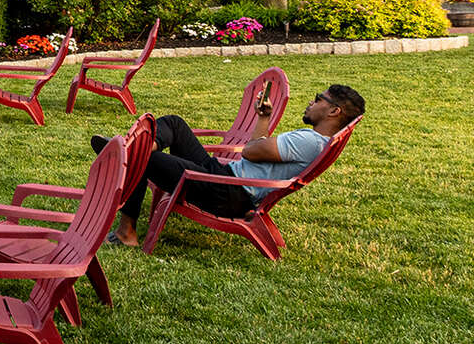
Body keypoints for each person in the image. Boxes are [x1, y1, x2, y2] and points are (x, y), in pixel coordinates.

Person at [103, 85, 365, 247]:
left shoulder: (308, 140)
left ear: (334, 112)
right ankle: (130, 149)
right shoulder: (317, 142)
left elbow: (251, 152)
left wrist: (255, 144)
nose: (312, 102)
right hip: (226, 178)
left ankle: (127, 231)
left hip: (227, 192)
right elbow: (255, 153)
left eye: (319, 98)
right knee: (174, 124)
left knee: (139, 158)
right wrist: (264, 118)